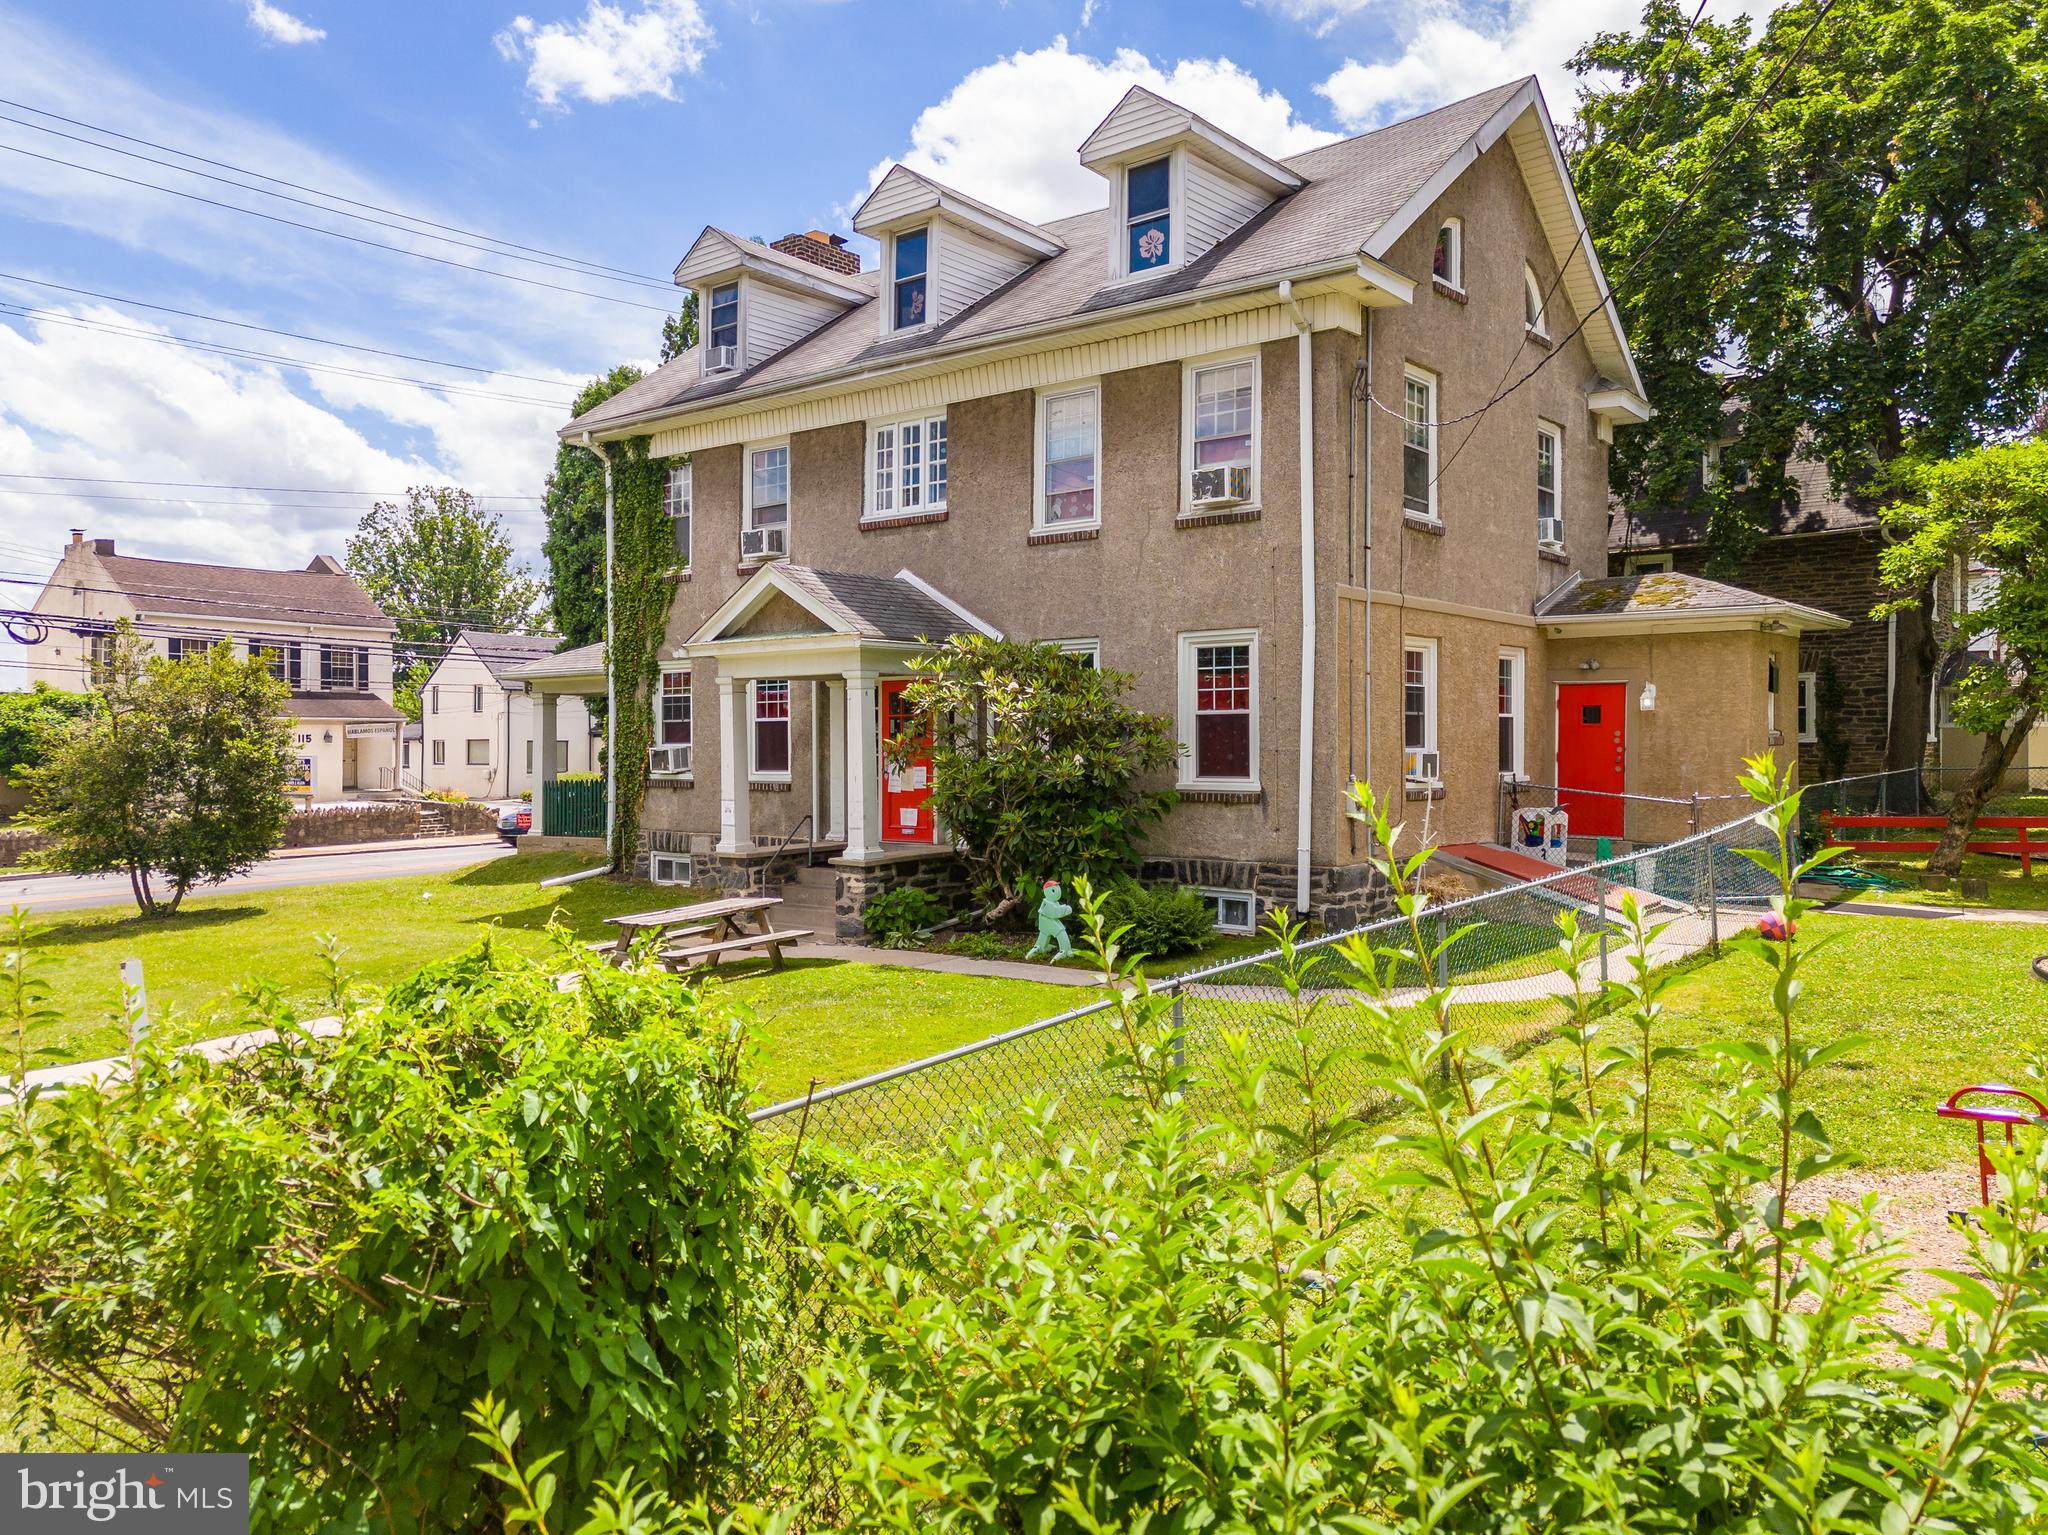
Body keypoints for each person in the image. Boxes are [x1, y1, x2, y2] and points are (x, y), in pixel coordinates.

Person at [1026, 878, 1073, 960]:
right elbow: (1055, 912)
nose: (1058, 892)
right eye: (1054, 890)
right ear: (1047, 892)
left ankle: (1042, 946)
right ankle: (1064, 949)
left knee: (1044, 934)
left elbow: (1056, 910)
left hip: (1047, 921)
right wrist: (1066, 909)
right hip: (1047, 921)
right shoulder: (1048, 904)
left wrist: (1063, 909)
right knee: (1060, 932)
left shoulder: (1051, 902)